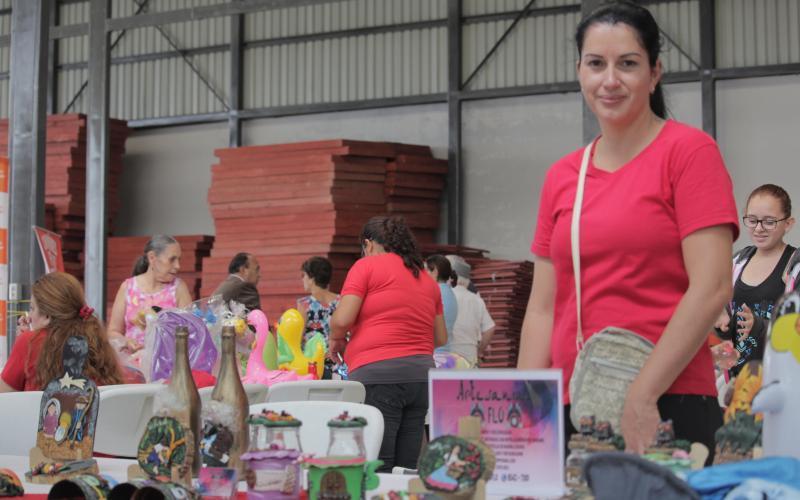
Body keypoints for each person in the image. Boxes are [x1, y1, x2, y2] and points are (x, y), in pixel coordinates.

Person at [518, 0, 739, 459]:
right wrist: (526, 408)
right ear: (579, 71)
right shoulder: (563, 177)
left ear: (655, 73)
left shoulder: (689, 153)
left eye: (628, 64)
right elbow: (542, 309)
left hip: (667, 401)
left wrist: (642, 394)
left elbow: (712, 286)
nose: (610, 79)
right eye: (596, 64)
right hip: (574, 404)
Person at [330, 216, 447, 472]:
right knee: (406, 467)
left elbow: (342, 320)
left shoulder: (365, 266)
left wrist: (335, 337)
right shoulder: (427, 279)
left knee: (379, 465)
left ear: (368, 244)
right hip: (420, 379)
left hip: (379, 376)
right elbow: (440, 338)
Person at [715, 185, 795, 377]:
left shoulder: (795, 268)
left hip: (780, 384)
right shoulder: (736, 263)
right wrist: (721, 324)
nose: (759, 228)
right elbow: (729, 333)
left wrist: (758, 326)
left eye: (769, 222)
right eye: (752, 220)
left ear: (788, 224)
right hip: (739, 382)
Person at [1, 272, 124, 392]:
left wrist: (24, 343)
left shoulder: (29, 342)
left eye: (32, 308)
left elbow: (4, 394)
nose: (29, 316)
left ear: (47, 316)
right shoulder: (96, 340)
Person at [108, 235, 193, 352]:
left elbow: (190, 331)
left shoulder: (178, 288)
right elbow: (113, 332)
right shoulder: (128, 287)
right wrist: (127, 342)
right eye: (172, 259)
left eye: (179, 260)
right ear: (152, 258)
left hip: (167, 361)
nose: (178, 266)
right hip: (131, 361)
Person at [444, 254, 495, 367]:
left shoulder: (442, 296)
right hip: (470, 358)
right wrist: (479, 351)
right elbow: (490, 329)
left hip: (447, 359)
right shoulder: (476, 300)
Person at [297, 256, 341, 379]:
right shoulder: (341, 301)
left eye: (304, 275)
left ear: (311, 278)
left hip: (313, 363)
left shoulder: (304, 304)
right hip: (336, 361)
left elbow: (298, 338)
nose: (303, 279)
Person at [425, 255, 459, 346]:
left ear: (435, 272)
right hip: (446, 349)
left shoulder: (435, 293)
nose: (423, 275)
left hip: (435, 350)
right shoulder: (449, 292)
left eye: (426, 270)